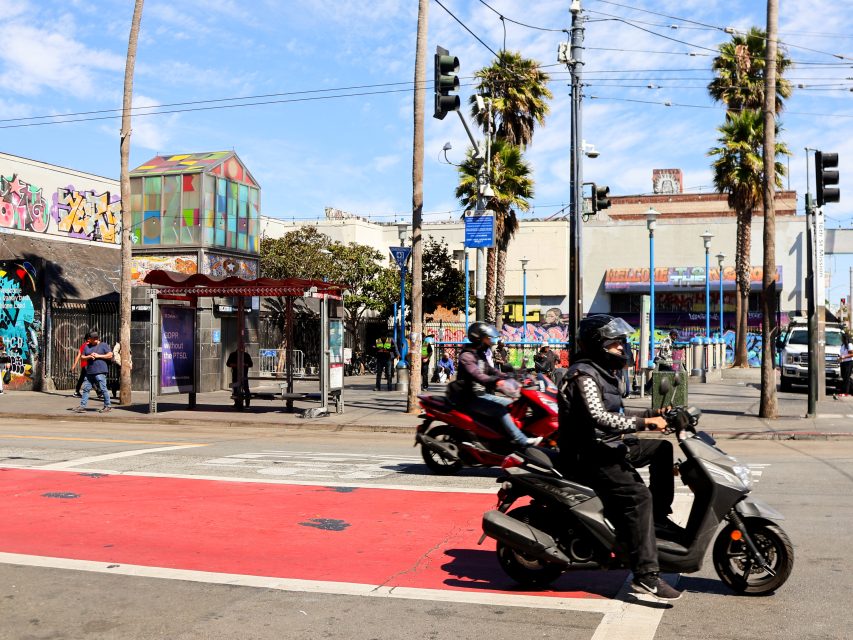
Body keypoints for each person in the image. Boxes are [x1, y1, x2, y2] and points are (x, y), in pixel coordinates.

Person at [557, 314, 681, 601]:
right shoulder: (583, 375)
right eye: (616, 344)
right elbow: (599, 418)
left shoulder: (603, 372)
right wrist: (644, 424)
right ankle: (646, 577)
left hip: (609, 444)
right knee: (639, 497)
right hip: (589, 453)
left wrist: (653, 414)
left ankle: (658, 519)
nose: (622, 349)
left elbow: (619, 415)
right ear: (597, 345)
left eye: (622, 343)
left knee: (662, 449)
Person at [447, 322, 541, 449]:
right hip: (469, 398)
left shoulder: (479, 355)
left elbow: (492, 371)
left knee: (512, 405)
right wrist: (496, 381)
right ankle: (522, 440)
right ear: (479, 338)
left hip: (481, 395)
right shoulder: (467, 356)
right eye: (488, 338)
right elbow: (478, 376)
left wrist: (512, 376)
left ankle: (503, 436)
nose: (490, 341)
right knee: (499, 410)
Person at [72, 331, 113, 413]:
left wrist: (98, 356)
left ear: (94, 339)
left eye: (89, 339)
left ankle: (107, 406)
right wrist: (89, 356)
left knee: (103, 388)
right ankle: (82, 406)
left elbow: (110, 355)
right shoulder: (87, 346)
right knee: (86, 389)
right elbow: (82, 357)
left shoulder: (103, 345)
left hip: (100, 370)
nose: (88, 340)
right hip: (89, 371)